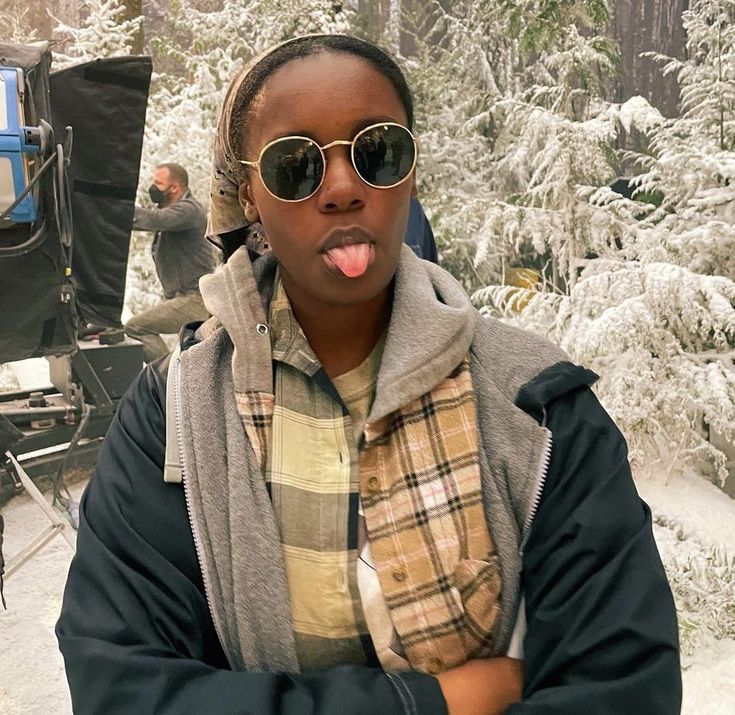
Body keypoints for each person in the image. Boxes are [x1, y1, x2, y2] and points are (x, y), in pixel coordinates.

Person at [56, 35, 681, 715]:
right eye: (295, 167)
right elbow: (121, 687)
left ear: (409, 175)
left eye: (377, 152)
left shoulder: (534, 402)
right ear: (250, 199)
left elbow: (621, 686)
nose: (345, 190)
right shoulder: (174, 417)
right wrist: (431, 702)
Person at [124, 162, 217, 362]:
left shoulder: (189, 210)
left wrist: (117, 208)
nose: (153, 187)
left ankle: (164, 379)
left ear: (174, 188)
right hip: (183, 298)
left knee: (136, 327)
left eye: (158, 183)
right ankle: (174, 378)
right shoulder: (176, 211)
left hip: (195, 299)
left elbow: (155, 219)